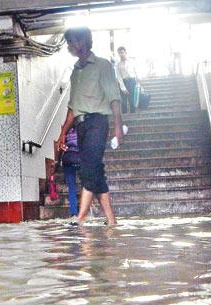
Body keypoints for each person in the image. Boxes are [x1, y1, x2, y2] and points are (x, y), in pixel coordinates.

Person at [56, 27, 124, 226]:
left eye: (72, 42)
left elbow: (114, 97)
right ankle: (111, 220)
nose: (70, 46)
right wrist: (62, 134)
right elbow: (72, 106)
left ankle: (81, 217)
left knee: (88, 169)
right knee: (96, 171)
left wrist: (118, 127)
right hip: (81, 126)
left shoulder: (103, 66)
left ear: (83, 42)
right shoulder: (75, 71)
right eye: (68, 43)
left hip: (97, 122)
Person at [60, 127, 81, 217]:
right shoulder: (84, 130)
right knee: (86, 185)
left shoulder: (66, 132)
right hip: (80, 159)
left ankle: (74, 212)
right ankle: (86, 209)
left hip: (68, 160)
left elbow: (60, 147)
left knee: (71, 187)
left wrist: (57, 162)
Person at [116, 46, 138, 114]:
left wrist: (138, 82)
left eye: (122, 52)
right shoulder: (118, 65)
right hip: (124, 82)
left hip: (132, 81)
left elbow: (136, 72)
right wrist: (123, 87)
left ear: (125, 53)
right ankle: (125, 116)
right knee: (123, 101)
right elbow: (119, 77)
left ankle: (133, 114)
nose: (120, 54)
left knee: (132, 99)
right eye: (119, 53)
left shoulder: (131, 62)